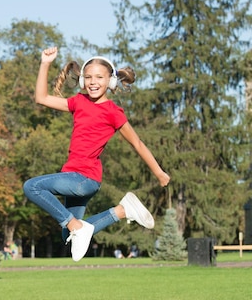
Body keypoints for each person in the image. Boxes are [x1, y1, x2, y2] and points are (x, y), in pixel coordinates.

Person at [23, 47, 170, 261]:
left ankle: (76, 225)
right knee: (68, 233)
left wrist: (159, 172)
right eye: (89, 77)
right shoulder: (78, 102)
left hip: (84, 179)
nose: (93, 82)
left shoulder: (113, 111)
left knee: (32, 186)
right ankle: (121, 210)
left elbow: (137, 143)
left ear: (110, 81)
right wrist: (45, 64)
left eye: (99, 77)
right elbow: (42, 98)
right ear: (83, 80)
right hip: (73, 177)